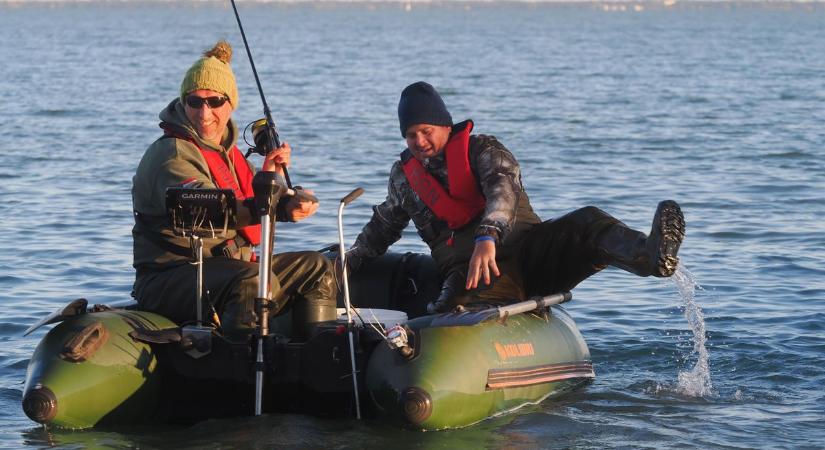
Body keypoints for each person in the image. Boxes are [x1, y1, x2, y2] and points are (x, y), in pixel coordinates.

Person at [347, 81, 685, 313]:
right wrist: (351, 259)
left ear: (446, 127)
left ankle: (650, 256)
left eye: (426, 131)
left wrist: (488, 235)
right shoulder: (403, 179)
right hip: (473, 273)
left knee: (589, 221)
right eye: (410, 135)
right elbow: (384, 226)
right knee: (456, 308)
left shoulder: (485, 150)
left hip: (528, 252)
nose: (419, 141)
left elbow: (503, 191)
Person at [132, 40, 336, 339]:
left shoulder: (226, 153)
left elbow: (259, 198)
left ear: (230, 103)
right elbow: (207, 208)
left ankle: (317, 360)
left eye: (214, 102)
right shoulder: (173, 155)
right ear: (182, 102)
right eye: (194, 101)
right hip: (173, 275)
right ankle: (239, 367)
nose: (204, 113)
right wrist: (278, 208)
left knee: (316, 267)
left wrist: (279, 180)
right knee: (252, 280)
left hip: (227, 266)